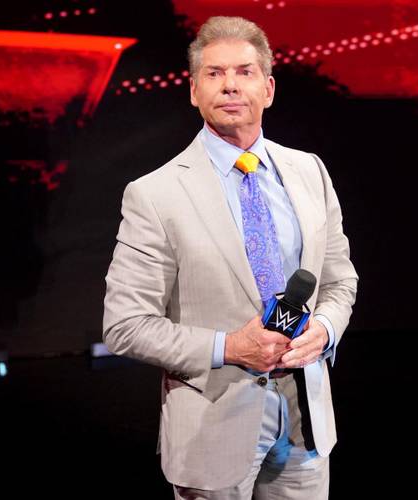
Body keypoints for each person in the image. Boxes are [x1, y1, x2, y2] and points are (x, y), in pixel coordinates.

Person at [103, 15, 358, 500]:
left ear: (268, 88)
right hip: (213, 429)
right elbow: (125, 325)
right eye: (214, 74)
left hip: (306, 420)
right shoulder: (155, 194)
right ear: (194, 91)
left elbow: (339, 280)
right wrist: (230, 347)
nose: (230, 86)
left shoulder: (309, 171)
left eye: (244, 72)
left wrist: (324, 330)